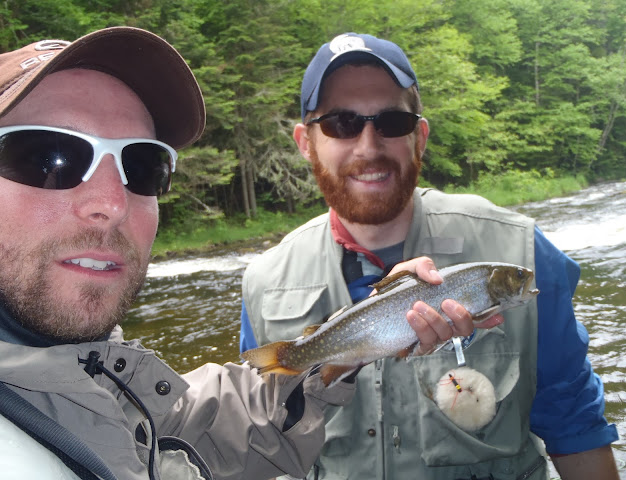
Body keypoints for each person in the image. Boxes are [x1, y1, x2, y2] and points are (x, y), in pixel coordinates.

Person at [240, 33, 620, 479]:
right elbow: (257, 444)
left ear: (419, 136)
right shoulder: (264, 283)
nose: (368, 147)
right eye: (342, 123)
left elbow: (574, 423)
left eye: (392, 122)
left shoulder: (522, 248)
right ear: (306, 142)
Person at [0, 26, 368, 480]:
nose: (112, 204)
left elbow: (200, 428)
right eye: (48, 157)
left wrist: (358, 333)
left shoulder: (101, 379)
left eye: (141, 166)